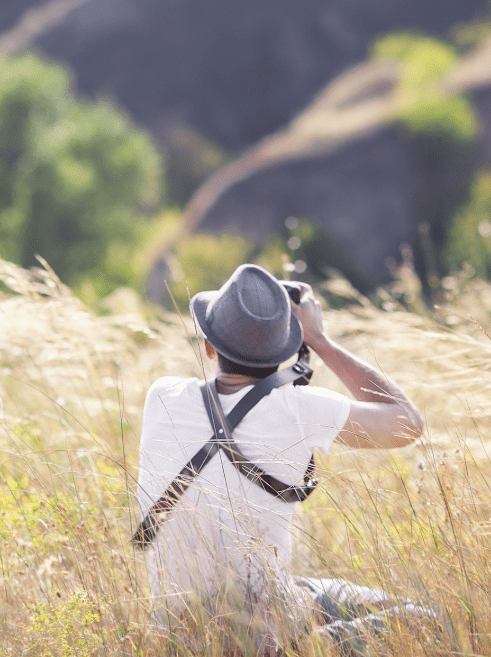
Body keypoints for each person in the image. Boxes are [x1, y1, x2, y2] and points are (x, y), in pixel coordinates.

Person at [135, 263, 431, 655]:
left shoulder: (162, 395)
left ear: (209, 346)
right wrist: (320, 340)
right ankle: (313, 647)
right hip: (263, 634)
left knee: (306, 590)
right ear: (285, 350)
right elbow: (408, 422)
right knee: (423, 619)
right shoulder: (299, 409)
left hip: (178, 636)